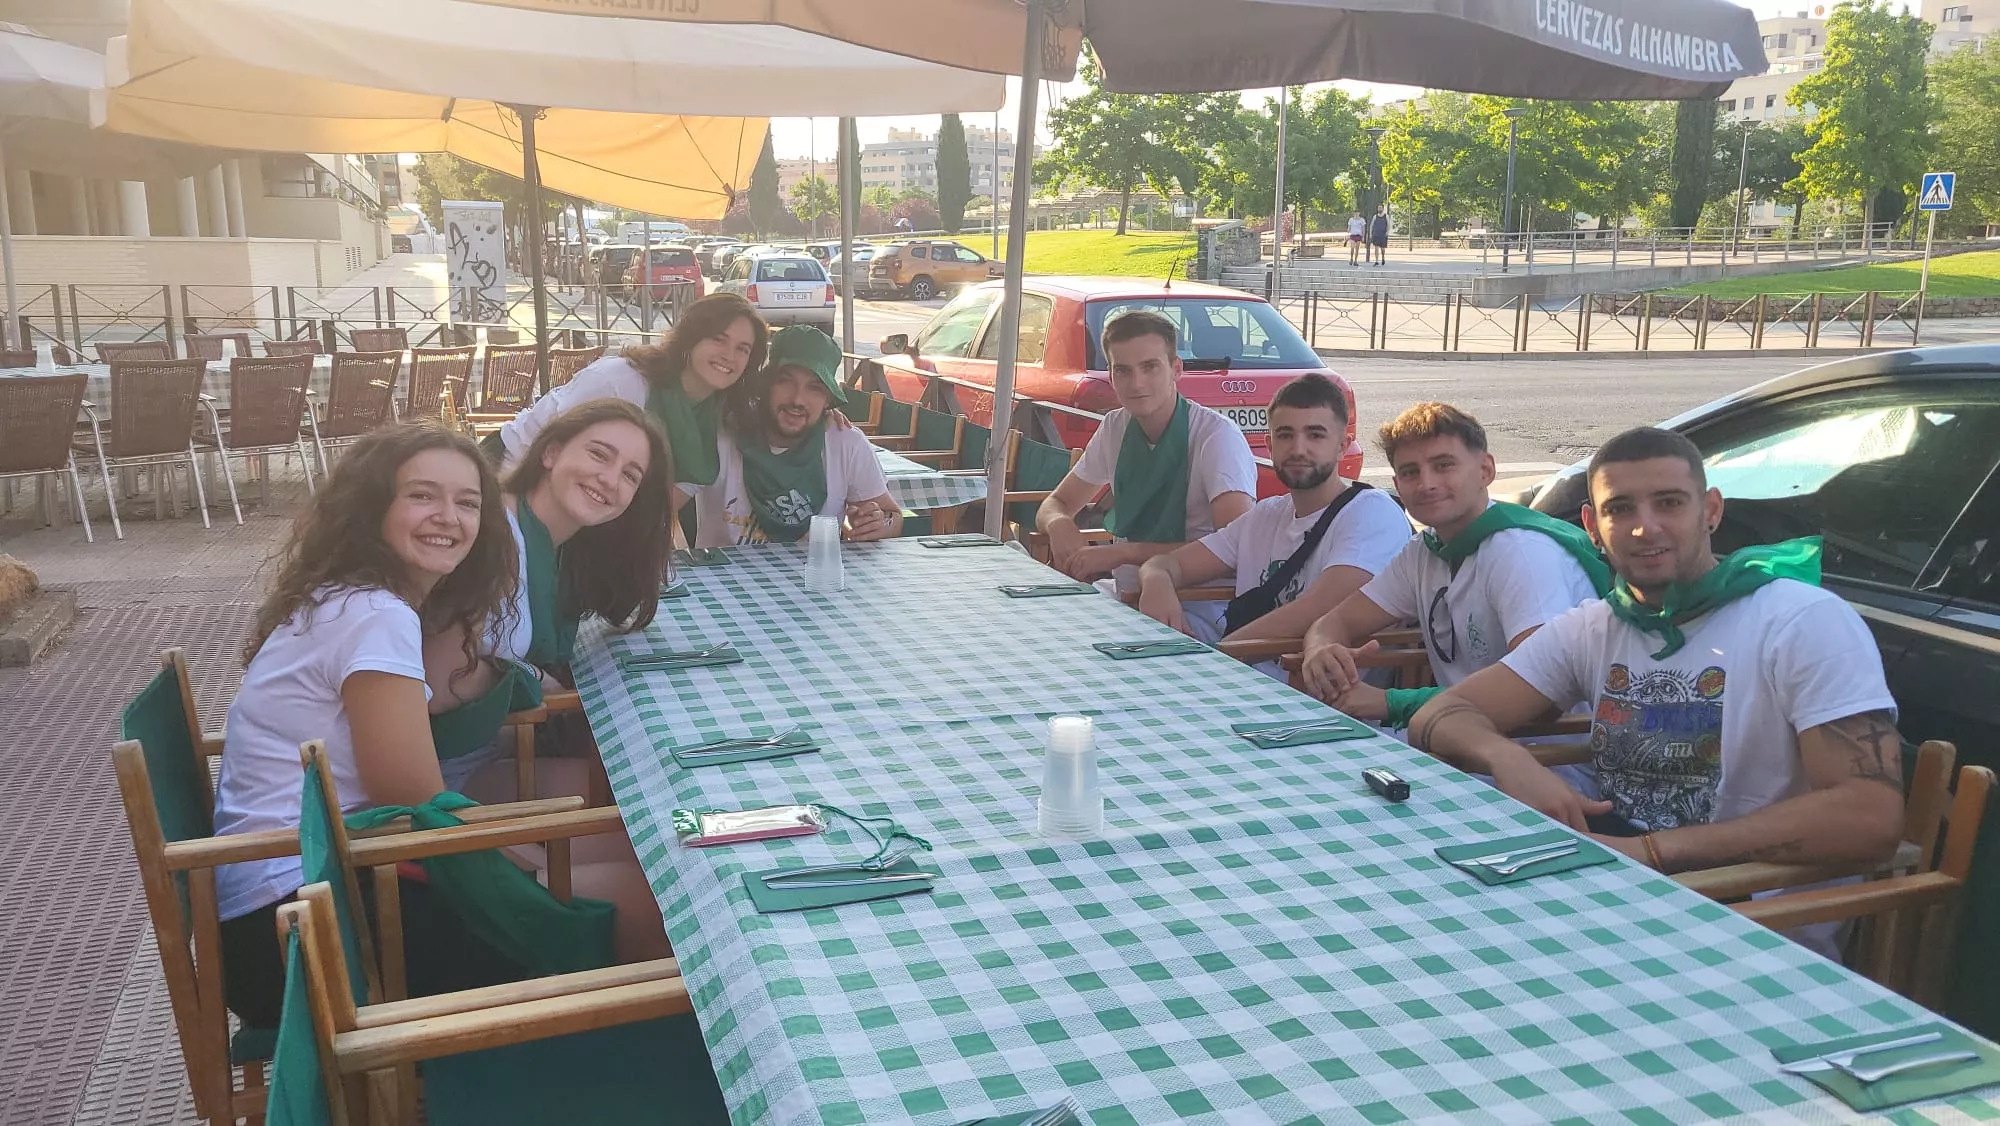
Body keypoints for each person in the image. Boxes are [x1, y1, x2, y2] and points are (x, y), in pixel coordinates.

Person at [211, 423, 668, 1031]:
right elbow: (414, 801)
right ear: (373, 506)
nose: (448, 517)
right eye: (423, 496)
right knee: (662, 903)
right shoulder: (375, 617)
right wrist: (526, 863)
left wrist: (527, 854)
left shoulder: (347, 598)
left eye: (468, 502)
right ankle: (614, 1077)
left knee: (631, 860)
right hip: (307, 931)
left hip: (304, 895)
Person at [1406, 427, 1903, 946]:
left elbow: (1870, 816)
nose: (1645, 528)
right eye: (1619, 509)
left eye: (1668, 503)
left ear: (1710, 510)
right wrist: (1509, 760)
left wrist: (1655, 853)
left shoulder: (1802, 620)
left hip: (1749, 930)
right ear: (1592, 527)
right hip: (1615, 900)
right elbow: (1439, 717)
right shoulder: (1596, 625)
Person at [1301, 403, 1608, 729]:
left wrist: (1390, 702)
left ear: (1485, 470)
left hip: (1538, 758)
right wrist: (1320, 647)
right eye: (1410, 472)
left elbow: (1542, 694)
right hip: (1453, 744)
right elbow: (1336, 621)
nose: (1426, 484)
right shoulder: (1426, 549)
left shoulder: (1522, 553)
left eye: (1443, 465)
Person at [424, 399, 675, 787]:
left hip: (504, 746)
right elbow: (440, 687)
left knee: (642, 772)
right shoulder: (495, 539)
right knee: (641, 793)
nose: (610, 479)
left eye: (630, 475)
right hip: (444, 779)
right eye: (598, 454)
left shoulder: (566, 546)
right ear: (550, 452)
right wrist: (530, 676)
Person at [1136, 373, 1409, 676]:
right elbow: (1166, 565)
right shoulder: (1266, 515)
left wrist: (1218, 657)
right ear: (1269, 444)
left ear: (1342, 447)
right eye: (1285, 435)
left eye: (1315, 435)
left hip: (1317, 700)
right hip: (1242, 680)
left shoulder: (1372, 512)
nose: (1298, 448)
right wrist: (1157, 581)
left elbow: (1322, 607)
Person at [1036, 309, 1257, 642]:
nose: (1137, 383)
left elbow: (1237, 548)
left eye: (1150, 367)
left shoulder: (1216, 437)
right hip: (1124, 597)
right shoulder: (1115, 426)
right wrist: (1059, 524)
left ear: (1176, 369)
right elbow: (1056, 503)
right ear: (1110, 375)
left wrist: (1124, 553)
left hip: (1198, 609)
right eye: (1123, 370)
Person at [491, 293, 768, 503]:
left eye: (743, 349)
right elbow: (550, 452)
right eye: (719, 339)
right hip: (512, 472)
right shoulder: (621, 381)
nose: (729, 355)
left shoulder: (718, 418)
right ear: (692, 338)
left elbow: (661, 512)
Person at [690, 325, 902, 547]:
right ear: (766, 385)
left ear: (828, 399)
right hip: (723, 579)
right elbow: (663, 507)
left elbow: (893, 518)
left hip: (814, 579)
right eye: (786, 381)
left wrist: (877, 524)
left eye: (815, 388)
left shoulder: (846, 442)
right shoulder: (719, 434)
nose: (798, 399)